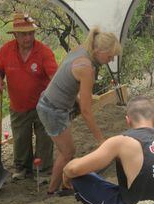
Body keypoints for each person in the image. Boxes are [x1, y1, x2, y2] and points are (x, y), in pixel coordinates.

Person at [62, 96, 154, 204]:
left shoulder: (121, 141)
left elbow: (74, 170)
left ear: (128, 120)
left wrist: (67, 175)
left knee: (78, 177)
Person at [36, 27, 122, 194]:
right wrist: (101, 140)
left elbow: (65, 75)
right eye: (110, 55)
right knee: (67, 152)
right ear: (98, 50)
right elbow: (86, 111)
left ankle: (62, 185)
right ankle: (53, 191)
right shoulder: (87, 67)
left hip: (49, 101)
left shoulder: (82, 49)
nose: (111, 60)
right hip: (53, 110)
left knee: (68, 150)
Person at [0, 13, 57, 180]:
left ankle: (43, 170)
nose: (28, 37)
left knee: (44, 138)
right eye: (23, 34)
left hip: (43, 105)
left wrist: (50, 94)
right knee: (21, 138)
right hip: (18, 105)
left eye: (30, 33)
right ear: (15, 35)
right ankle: (22, 168)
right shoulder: (6, 51)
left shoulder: (44, 52)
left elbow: (54, 77)